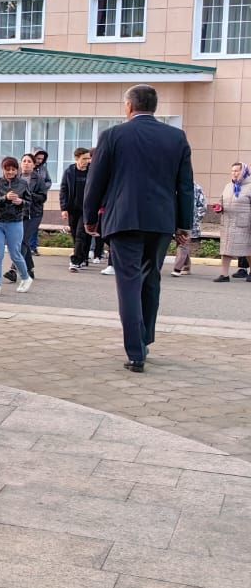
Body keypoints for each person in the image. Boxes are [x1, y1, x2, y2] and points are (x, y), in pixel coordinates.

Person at [82, 84, 194, 372]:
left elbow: (96, 181)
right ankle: (145, 339)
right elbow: (185, 184)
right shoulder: (176, 137)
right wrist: (184, 224)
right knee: (151, 278)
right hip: (160, 221)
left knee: (129, 283)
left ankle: (135, 353)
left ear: (129, 106)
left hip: (124, 220)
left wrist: (90, 217)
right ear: (153, 107)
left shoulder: (113, 136)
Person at [0, 157, 34, 297]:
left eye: (13, 169)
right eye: (7, 169)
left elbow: (29, 202)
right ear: (3, 169)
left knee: (15, 253)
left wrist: (20, 202)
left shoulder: (22, 183)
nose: (10, 172)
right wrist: (5, 198)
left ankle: (26, 278)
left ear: (17, 170)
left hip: (15, 222)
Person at [6, 153, 47, 282]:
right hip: (19, 213)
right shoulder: (15, 178)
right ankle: (29, 269)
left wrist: (27, 195)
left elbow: (43, 197)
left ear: (34, 165)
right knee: (24, 241)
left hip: (34, 214)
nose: (26, 163)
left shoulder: (39, 179)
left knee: (23, 240)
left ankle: (13, 269)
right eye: (24, 161)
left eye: (29, 161)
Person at [211, 162, 251, 282]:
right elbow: (221, 200)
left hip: (244, 224)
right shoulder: (228, 186)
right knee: (226, 249)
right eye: (232, 171)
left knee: (248, 249)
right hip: (228, 223)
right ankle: (224, 275)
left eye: (237, 171)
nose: (234, 173)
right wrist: (219, 207)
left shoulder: (250, 186)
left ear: (243, 172)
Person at [60, 148, 93, 271]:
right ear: (76, 158)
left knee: (81, 234)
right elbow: (64, 190)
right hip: (73, 208)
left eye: (88, 158)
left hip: (87, 209)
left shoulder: (92, 171)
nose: (87, 161)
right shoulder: (69, 171)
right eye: (84, 158)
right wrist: (64, 208)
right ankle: (83, 256)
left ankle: (76, 261)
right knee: (75, 234)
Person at [171, 182, 206, 277]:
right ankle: (186, 266)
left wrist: (195, 218)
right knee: (180, 242)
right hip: (175, 220)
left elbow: (202, 205)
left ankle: (177, 268)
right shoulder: (173, 186)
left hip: (189, 221)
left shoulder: (196, 188)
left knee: (183, 243)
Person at [29, 148, 53, 256]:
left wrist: (43, 187)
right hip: (26, 200)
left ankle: (33, 247)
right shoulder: (28, 168)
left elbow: (48, 181)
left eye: (42, 159)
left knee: (34, 225)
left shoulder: (43, 169)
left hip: (37, 200)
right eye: (38, 158)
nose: (39, 161)